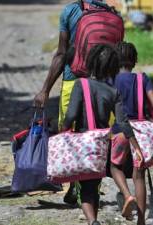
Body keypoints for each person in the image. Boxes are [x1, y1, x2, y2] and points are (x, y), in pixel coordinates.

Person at [33, 0, 113, 204]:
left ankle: (74, 185)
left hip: (73, 79)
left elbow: (61, 53)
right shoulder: (108, 11)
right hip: (103, 85)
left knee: (70, 134)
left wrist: (45, 90)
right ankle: (91, 188)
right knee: (97, 135)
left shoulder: (70, 11)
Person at [62, 44, 144, 225]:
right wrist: (136, 146)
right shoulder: (112, 92)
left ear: (90, 62)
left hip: (83, 143)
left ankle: (92, 221)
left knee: (85, 188)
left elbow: (72, 115)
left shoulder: (80, 84)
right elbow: (123, 123)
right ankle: (97, 217)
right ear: (112, 67)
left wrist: (62, 131)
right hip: (101, 145)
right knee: (95, 185)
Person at [109, 42, 153, 225]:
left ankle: (127, 195)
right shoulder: (142, 78)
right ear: (135, 60)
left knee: (115, 167)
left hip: (120, 132)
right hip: (140, 133)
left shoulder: (111, 79)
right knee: (139, 176)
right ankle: (141, 221)